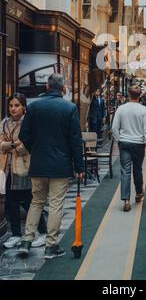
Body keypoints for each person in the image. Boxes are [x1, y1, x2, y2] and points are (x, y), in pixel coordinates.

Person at [17, 74, 84, 259]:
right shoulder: (69, 108)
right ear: (62, 88)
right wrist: (79, 167)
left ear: (47, 86)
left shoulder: (33, 106)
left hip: (38, 163)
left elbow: (24, 134)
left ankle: (26, 240)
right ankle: (51, 245)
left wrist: (35, 150)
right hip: (60, 165)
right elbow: (75, 140)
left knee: (36, 201)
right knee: (55, 204)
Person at [0, 94, 47, 249]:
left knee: (29, 201)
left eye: (17, 105)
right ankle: (16, 234)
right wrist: (13, 144)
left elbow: (25, 145)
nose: (13, 108)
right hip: (7, 168)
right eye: (11, 105)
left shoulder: (28, 123)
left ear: (24, 107)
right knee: (11, 202)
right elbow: (1, 143)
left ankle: (42, 231)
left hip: (24, 166)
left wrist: (10, 145)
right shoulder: (4, 123)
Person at [112, 86, 146, 212]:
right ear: (140, 95)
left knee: (125, 170)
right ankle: (138, 193)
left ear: (128, 95)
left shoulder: (121, 109)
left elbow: (114, 127)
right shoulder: (143, 110)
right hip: (138, 144)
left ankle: (126, 199)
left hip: (124, 142)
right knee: (137, 169)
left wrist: (119, 139)